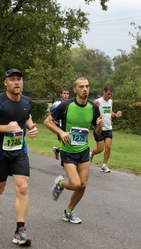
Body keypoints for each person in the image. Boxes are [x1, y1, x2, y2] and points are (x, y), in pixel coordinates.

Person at [0, 69, 38, 246]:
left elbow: (25, 116)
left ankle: (20, 231)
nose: (17, 82)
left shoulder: (27, 101)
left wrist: (31, 126)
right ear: (5, 83)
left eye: (19, 79)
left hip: (19, 151)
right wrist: (5, 128)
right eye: (12, 80)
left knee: (23, 188)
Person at [44, 77, 104, 224]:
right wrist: (61, 132)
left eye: (87, 86)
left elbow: (96, 132)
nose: (85, 89)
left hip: (83, 149)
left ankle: (69, 212)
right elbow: (47, 121)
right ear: (75, 90)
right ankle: (60, 184)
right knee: (76, 184)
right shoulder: (66, 106)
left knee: (83, 185)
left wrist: (99, 126)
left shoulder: (93, 108)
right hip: (68, 150)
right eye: (82, 86)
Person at [90, 85, 122, 173]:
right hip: (99, 129)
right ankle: (91, 154)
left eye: (111, 94)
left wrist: (115, 115)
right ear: (104, 92)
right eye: (108, 94)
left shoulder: (111, 102)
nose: (109, 96)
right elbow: (91, 113)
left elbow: (109, 112)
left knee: (108, 146)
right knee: (100, 149)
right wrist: (96, 122)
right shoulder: (97, 102)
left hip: (108, 128)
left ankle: (104, 165)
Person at [49, 88, 70, 161]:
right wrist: (53, 120)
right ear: (60, 94)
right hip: (59, 127)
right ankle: (65, 162)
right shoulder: (56, 104)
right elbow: (50, 113)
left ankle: (57, 150)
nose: (66, 95)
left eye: (67, 94)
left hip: (67, 126)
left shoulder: (70, 103)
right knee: (64, 144)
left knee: (66, 144)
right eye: (64, 93)